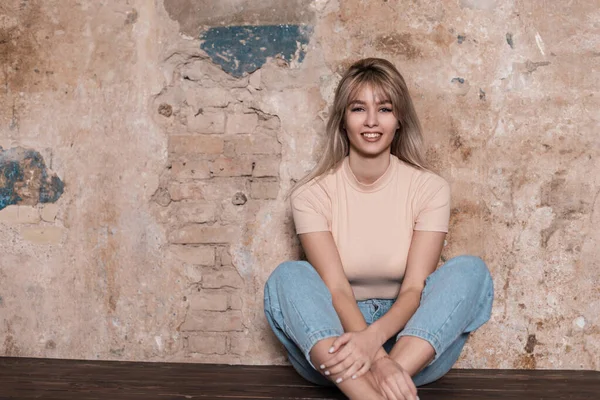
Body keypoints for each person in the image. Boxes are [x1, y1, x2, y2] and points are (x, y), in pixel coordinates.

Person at [263, 58, 494, 400]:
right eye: (359, 108)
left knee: (471, 271)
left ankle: (370, 388)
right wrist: (374, 357)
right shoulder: (310, 194)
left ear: (399, 119)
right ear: (343, 120)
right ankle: (371, 395)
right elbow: (337, 289)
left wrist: (378, 349)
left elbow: (414, 289)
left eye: (384, 109)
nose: (371, 121)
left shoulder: (429, 188)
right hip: (335, 339)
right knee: (287, 276)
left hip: (411, 342)